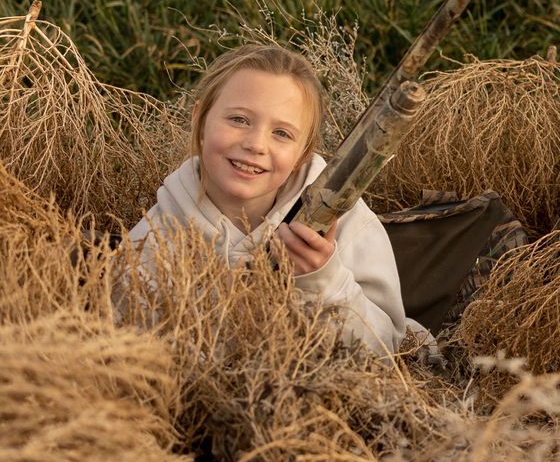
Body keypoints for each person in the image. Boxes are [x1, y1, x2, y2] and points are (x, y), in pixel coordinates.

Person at [128, 43, 425, 352]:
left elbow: (387, 349)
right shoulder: (154, 240)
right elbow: (126, 360)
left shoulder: (345, 221)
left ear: (302, 155)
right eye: (239, 120)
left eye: (282, 133)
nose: (256, 144)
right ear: (199, 121)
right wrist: (214, 312)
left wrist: (323, 282)